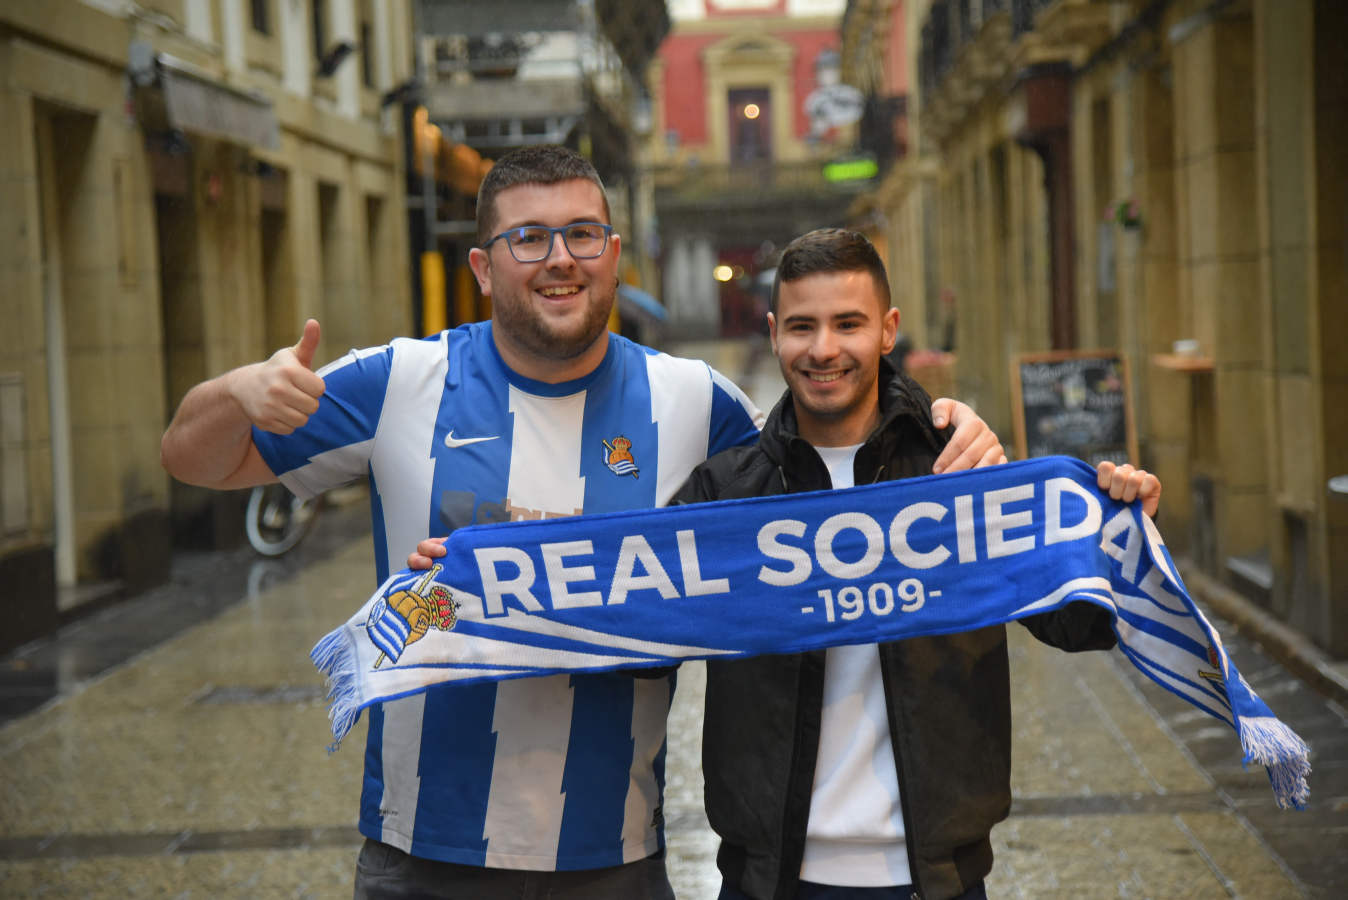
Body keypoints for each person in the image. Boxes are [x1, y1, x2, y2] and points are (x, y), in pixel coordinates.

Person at [160, 147, 1004, 899]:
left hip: (616, 861)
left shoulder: (695, 402)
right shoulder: (401, 381)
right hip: (422, 858)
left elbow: (829, 487)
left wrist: (943, 428)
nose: (559, 258)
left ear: (613, 254)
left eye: (582, 235)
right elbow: (195, 459)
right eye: (528, 238)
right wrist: (235, 393)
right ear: (483, 266)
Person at [669, 229, 1161, 900]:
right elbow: (635, 634)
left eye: (848, 324)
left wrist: (1128, 533)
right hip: (768, 880)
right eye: (803, 326)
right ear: (775, 333)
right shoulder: (725, 493)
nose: (823, 349)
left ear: (888, 330)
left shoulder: (961, 473)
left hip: (936, 879)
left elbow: (1077, 623)